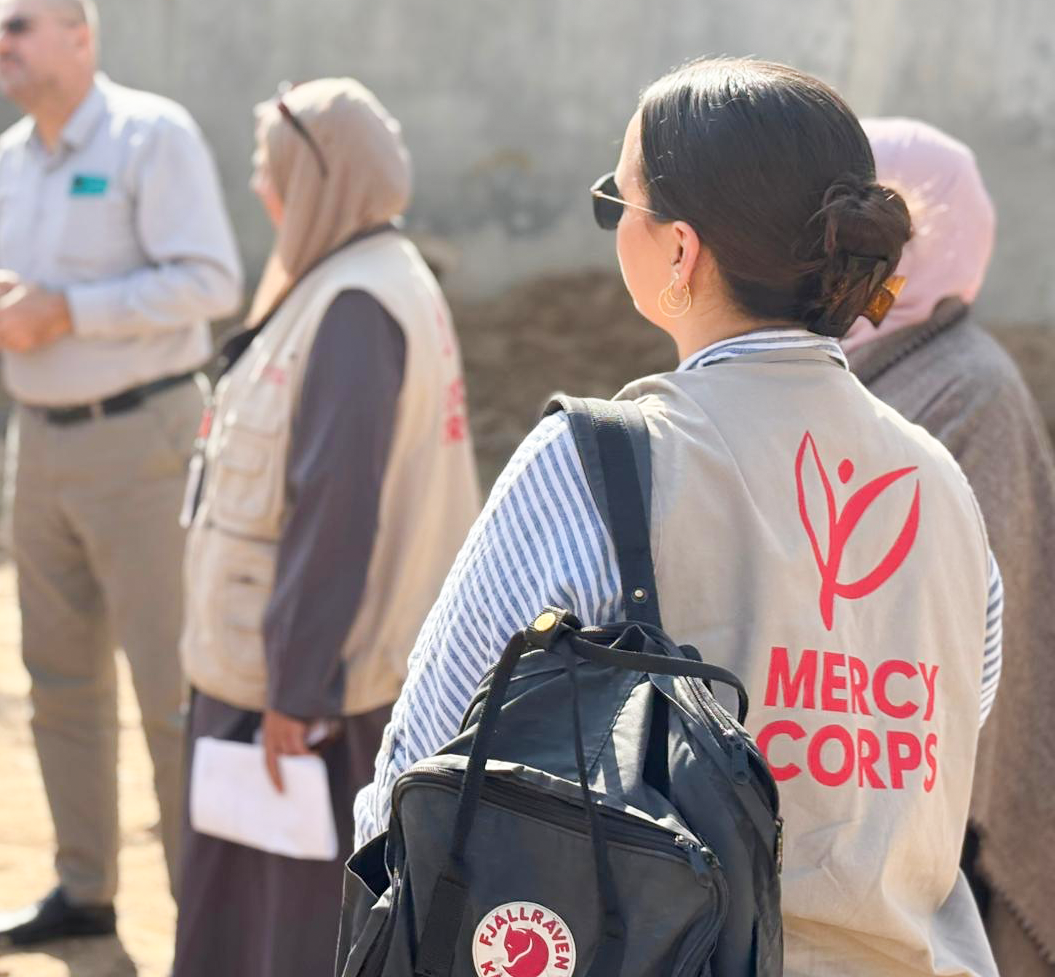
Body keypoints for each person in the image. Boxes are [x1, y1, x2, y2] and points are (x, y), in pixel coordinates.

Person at [357, 58, 1005, 977]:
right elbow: (949, 732)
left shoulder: (598, 460)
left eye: (617, 202)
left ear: (680, 251)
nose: (614, 225)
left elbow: (422, 763)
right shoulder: (943, 483)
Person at [172, 79, 480, 977]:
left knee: (284, 933)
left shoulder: (354, 306)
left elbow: (334, 514)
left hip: (304, 704)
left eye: (269, 169)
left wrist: (295, 692)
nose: (259, 188)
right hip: (300, 679)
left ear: (319, 180)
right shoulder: (364, 278)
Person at [0, 0, 242, 946]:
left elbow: (210, 281)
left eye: (18, 27)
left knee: (172, 692)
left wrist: (69, 312)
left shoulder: (150, 137)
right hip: (37, 446)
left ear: (80, 38)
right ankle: (83, 895)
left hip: (143, 443)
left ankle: (206, 921)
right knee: (58, 681)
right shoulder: (8, 157)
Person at [846, 118, 1055, 977]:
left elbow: (970, 637)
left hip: (927, 781)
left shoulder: (972, 390)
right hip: (844, 753)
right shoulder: (844, 360)